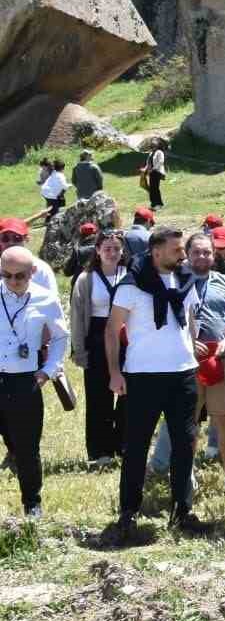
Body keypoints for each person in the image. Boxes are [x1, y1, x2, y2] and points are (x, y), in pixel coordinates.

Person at [107, 226, 204, 541]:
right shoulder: (131, 285)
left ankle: (182, 510)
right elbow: (111, 330)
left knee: (184, 445)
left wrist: (192, 347)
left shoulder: (186, 280)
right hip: (143, 375)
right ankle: (128, 512)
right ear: (156, 251)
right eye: (176, 249)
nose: (182, 254)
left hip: (183, 374)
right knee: (135, 446)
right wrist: (115, 373)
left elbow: (188, 319)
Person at [0, 247, 67, 518]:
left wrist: (49, 369)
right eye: (6, 275)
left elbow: (62, 336)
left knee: (27, 448)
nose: (13, 281)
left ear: (33, 273)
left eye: (20, 276)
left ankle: (32, 504)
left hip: (25, 381)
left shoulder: (46, 299)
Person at [70, 228, 127, 468]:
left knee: (129, 393)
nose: (112, 253)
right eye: (107, 249)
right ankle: (99, 450)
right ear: (97, 251)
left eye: (116, 249)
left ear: (122, 251)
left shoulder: (131, 274)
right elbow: (75, 316)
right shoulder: (86, 278)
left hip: (127, 338)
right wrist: (79, 350)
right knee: (98, 396)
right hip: (97, 336)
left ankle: (123, 442)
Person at [185, 232, 225, 489]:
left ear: (214, 254)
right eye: (196, 252)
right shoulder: (176, 282)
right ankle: (187, 473)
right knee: (188, 421)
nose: (202, 256)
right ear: (187, 254)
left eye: (206, 252)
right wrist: (186, 341)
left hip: (220, 359)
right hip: (187, 362)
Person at [0, 218, 55, 293]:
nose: (11, 242)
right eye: (5, 238)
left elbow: (51, 299)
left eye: (17, 238)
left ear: (26, 239)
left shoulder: (42, 269)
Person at [144, 139, 167, 209]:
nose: (152, 147)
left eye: (154, 145)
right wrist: (145, 169)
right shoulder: (151, 153)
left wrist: (153, 169)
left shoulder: (159, 152)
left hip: (157, 172)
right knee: (151, 188)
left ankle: (159, 204)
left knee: (155, 188)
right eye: (152, 145)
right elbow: (148, 162)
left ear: (157, 146)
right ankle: (153, 203)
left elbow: (161, 162)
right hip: (151, 173)